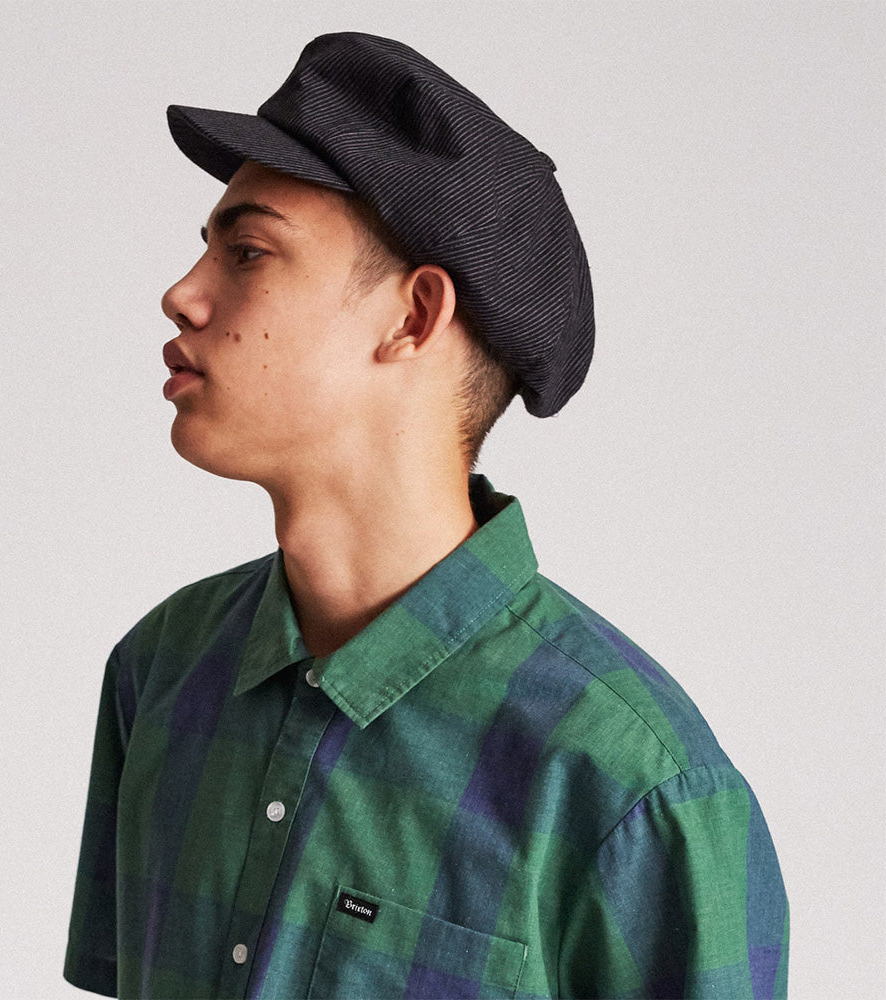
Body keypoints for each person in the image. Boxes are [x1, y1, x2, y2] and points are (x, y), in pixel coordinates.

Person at [64, 32, 789, 1000]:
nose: (182, 294)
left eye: (247, 252)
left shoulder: (631, 786)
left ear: (413, 317)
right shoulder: (160, 671)